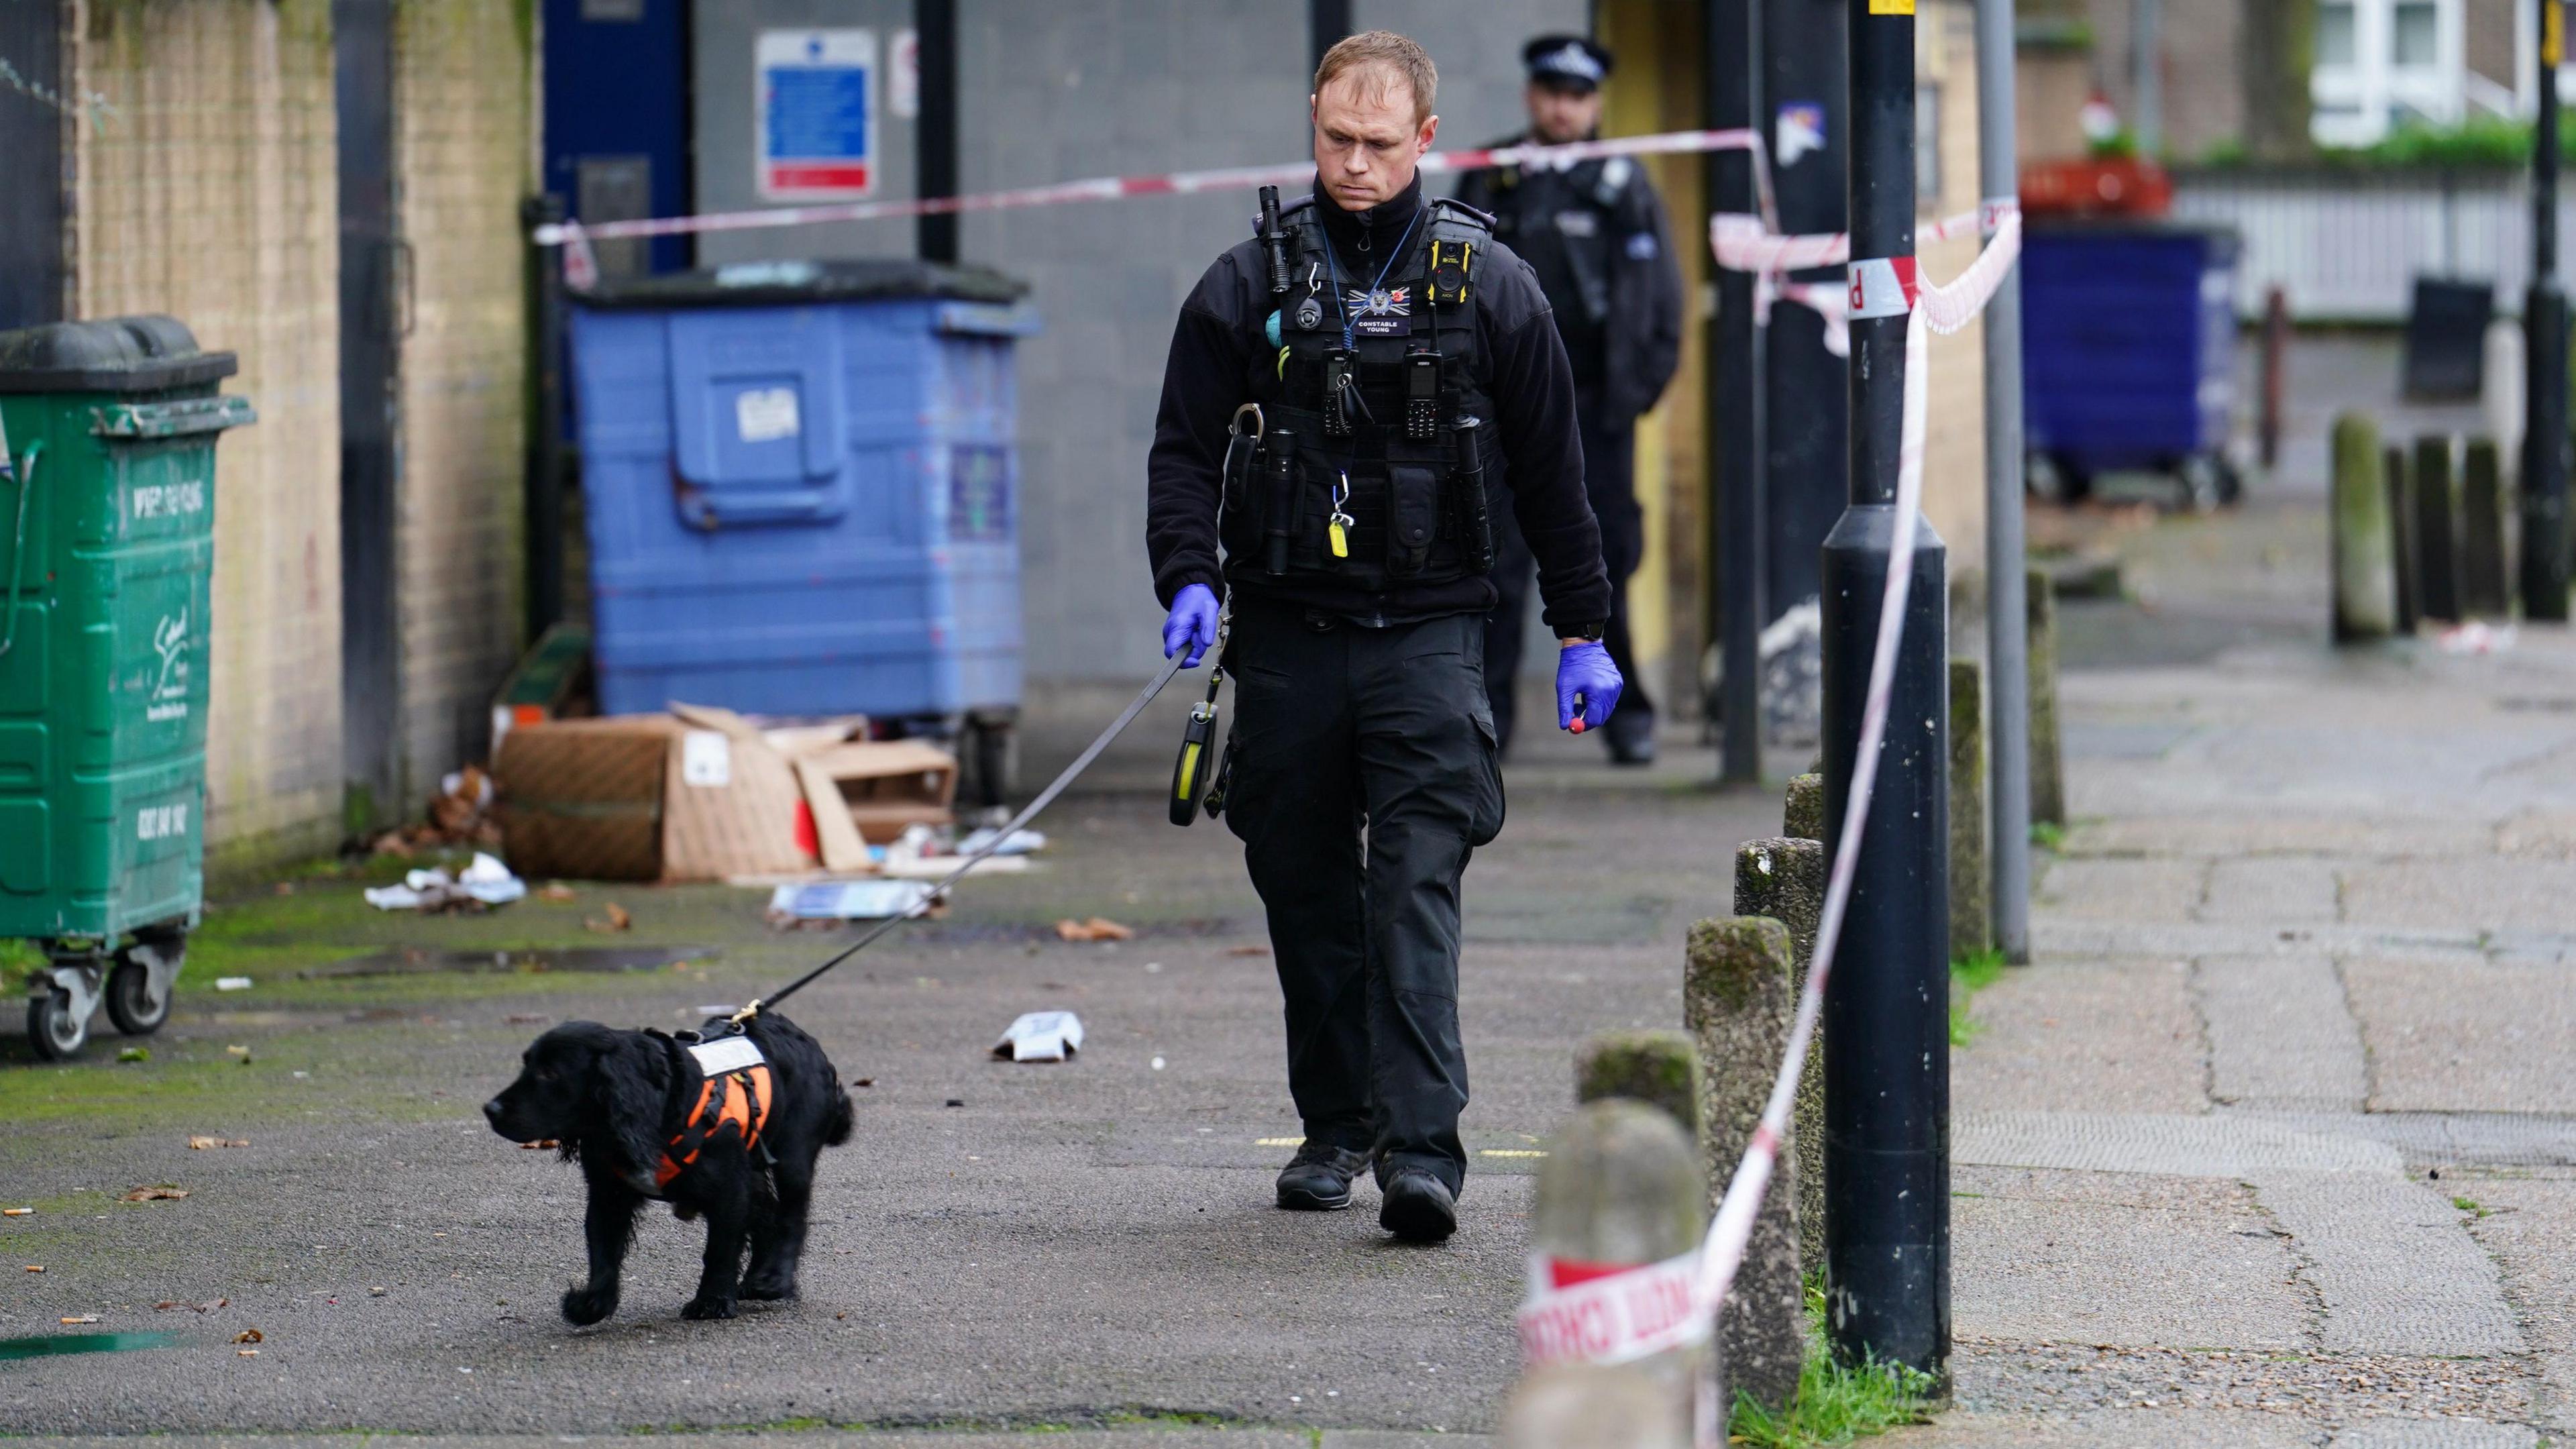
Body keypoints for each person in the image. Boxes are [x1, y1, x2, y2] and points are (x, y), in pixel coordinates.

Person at [1144, 31, 1619, 1242]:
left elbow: (1555, 475)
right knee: (1302, 887)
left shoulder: (1491, 286)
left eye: (1377, 143)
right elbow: (1186, 452)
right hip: (1291, 637)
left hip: (1431, 634)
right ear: (1313, 128)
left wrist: (1583, 630)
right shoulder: (1245, 286)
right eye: (1335, 140)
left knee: (1414, 884)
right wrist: (1187, 577)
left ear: (1426, 140)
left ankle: (1421, 1154)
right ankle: (1335, 1127)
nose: (1354, 165)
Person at [1453, 35, 1684, 766]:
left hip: (1592, 410)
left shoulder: (1622, 183)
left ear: (1596, 104)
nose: (1563, 107)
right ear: (1531, 97)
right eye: (1551, 92)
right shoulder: (1492, 178)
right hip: (1499, 414)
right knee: (1496, 566)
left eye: (1577, 96)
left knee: (1603, 556)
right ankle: (1484, 725)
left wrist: (1630, 400)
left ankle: (1626, 711)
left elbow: (1662, 306)